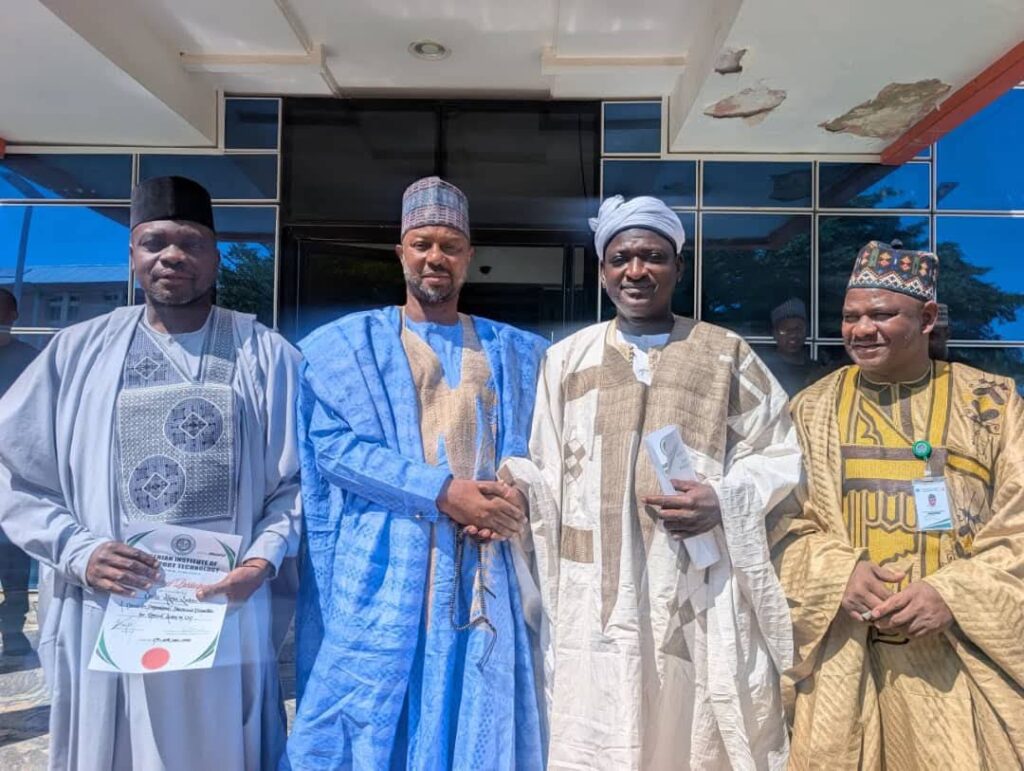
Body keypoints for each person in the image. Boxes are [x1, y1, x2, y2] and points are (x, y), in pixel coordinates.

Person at [0, 176, 301, 770]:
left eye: (190, 243)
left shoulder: (267, 355)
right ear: (133, 254)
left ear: (215, 257)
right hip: (106, 606)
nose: (172, 256)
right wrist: (79, 551)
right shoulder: (77, 352)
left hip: (224, 612)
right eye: (154, 242)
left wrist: (260, 563)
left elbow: (296, 485)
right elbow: (17, 475)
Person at [503, 195, 800, 770]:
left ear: (678, 268)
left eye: (653, 257)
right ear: (603, 272)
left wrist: (723, 499)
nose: (636, 271)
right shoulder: (566, 360)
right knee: (598, 726)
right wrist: (516, 487)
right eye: (621, 259)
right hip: (594, 596)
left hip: (694, 584)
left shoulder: (725, 355)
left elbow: (778, 451)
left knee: (690, 730)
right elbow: (545, 469)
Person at [287, 176, 546, 770]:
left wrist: (511, 495)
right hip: (386, 564)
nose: (436, 257)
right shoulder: (345, 347)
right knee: (372, 703)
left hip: (485, 562)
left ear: (469, 257)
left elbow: (547, 445)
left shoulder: (518, 351)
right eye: (422, 244)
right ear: (400, 252)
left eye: (450, 246)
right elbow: (333, 448)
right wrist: (444, 492)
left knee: (476, 695)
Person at [771, 240, 1024, 768]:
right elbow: (778, 522)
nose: (861, 330)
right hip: (845, 662)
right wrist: (837, 573)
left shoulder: (993, 403)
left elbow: (1018, 523)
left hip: (958, 663)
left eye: (881, 315)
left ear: (927, 318)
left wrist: (953, 594)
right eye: (850, 317)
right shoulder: (810, 410)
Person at [0, 288, 38, 656]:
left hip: (15, 481)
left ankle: (13, 634)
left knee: (13, 568)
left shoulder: (31, 362)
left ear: (13, 315)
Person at [760, 298, 827, 397]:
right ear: (774, 334)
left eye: (798, 329)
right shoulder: (765, 370)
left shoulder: (816, 370)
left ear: (806, 331)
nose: (793, 335)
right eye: (785, 330)